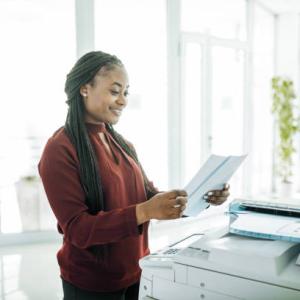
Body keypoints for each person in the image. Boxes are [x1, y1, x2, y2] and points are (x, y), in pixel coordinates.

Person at [38, 50, 230, 300]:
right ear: (85, 88)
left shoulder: (124, 145)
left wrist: (200, 197)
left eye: (125, 92)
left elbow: (147, 196)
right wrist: (145, 211)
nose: (123, 101)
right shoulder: (60, 149)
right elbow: (77, 229)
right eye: (115, 91)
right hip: (91, 284)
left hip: (138, 270)